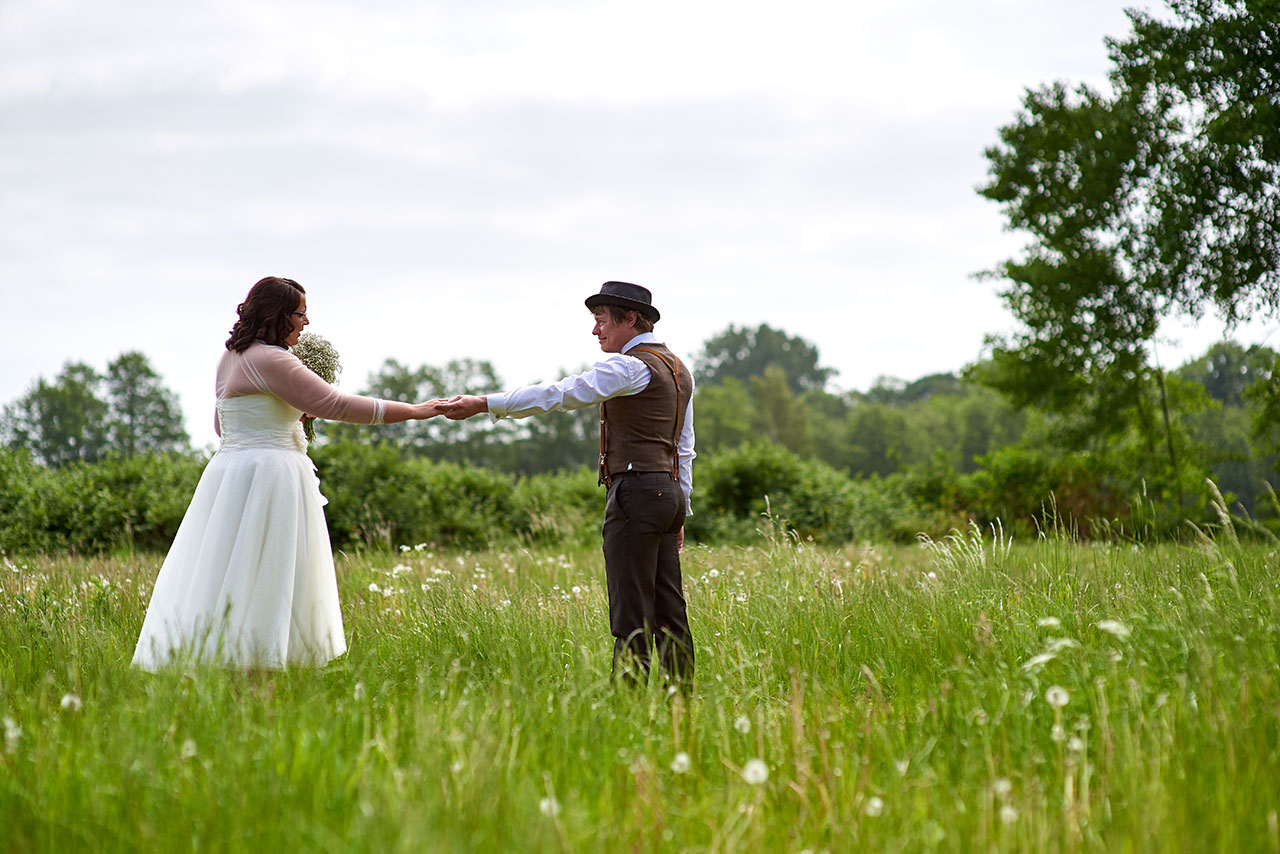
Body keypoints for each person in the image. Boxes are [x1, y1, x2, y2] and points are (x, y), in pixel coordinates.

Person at [132, 276, 442, 671]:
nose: (306, 322)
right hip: (269, 476)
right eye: (300, 313)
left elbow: (221, 426)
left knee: (229, 571)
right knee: (268, 573)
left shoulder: (230, 358)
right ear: (279, 315)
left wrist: (285, 412)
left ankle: (229, 664)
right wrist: (416, 410)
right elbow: (338, 405)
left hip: (230, 475)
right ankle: (260, 669)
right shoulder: (273, 359)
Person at [439, 281, 696, 686]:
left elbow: (563, 393)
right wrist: (680, 508)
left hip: (636, 494)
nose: (596, 331)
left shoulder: (630, 366)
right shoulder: (678, 369)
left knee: (631, 609)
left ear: (629, 319)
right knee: (670, 608)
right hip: (667, 494)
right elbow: (683, 448)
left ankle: (629, 703)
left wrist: (486, 403)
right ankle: (680, 699)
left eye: (601, 321)